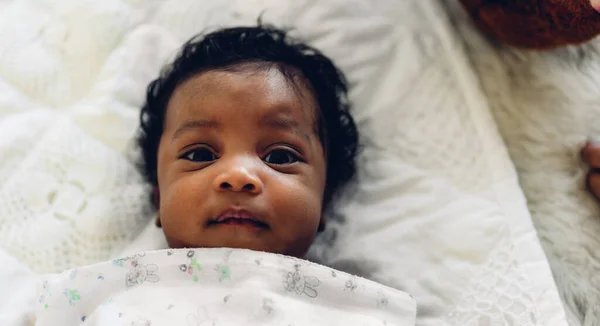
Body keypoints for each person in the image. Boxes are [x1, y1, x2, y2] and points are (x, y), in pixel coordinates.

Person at [136, 24, 359, 258]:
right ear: (159, 195)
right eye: (200, 155)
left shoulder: (347, 294)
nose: (238, 176)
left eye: (280, 157)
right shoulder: (118, 287)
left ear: (323, 199)